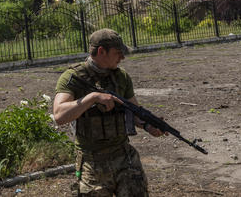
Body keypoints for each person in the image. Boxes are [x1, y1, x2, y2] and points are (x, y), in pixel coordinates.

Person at [53, 28, 165, 197]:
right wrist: (92, 97)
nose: (122, 57)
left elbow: (133, 111)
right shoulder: (73, 77)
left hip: (124, 157)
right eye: (118, 53)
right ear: (101, 51)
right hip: (92, 163)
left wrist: (148, 125)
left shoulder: (121, 77)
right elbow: (59, 116)